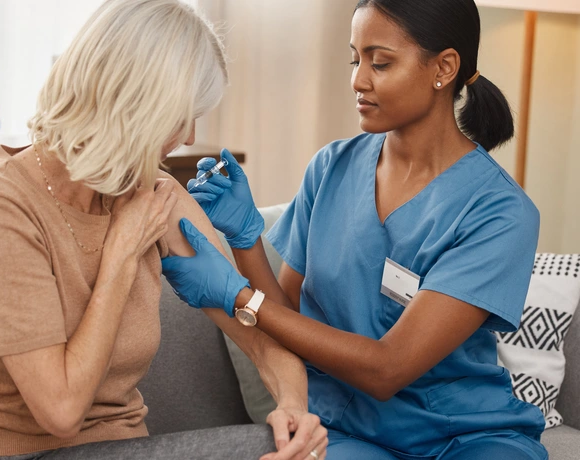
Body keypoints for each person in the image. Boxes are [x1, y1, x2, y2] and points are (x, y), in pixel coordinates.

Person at [0, 1, 327, 459]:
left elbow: (265, 344)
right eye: (183, 116)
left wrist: (293, 410)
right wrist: (120, 254)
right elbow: (60, 411)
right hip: (5, 453)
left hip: (121, 447)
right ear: (138, 106)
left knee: (280, 447)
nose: (191, 137)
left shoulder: (151, 195)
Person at [161, 0, 549, 458]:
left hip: (467, 435)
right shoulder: (331, 168)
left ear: (444, 67)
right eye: (355, 59)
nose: (358, 80)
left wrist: (238, 296)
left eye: (380, 62)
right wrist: (246, 242)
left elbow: (388, 369)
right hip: (346, 429)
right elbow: (292, 322)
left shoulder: (499, 211)